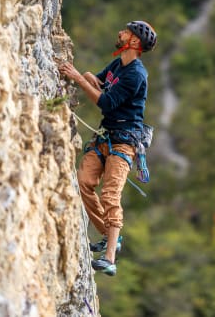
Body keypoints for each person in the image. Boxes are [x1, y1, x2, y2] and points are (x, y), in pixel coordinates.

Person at [59, 20, 157, 276]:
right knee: (83, 182)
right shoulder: (119, 64)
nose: (120, 32)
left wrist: (80, 78)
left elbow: (106, 102)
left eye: (126, 32)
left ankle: (110, 257)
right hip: (106, 138)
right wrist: (90, 78)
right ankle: (109, 234)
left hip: (124, 143)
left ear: (134, 42)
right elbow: (101, 82)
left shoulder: (136, 74)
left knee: (110, 196)